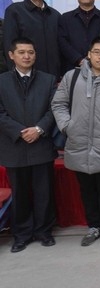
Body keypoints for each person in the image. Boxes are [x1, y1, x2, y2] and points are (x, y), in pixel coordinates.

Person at [51, 37, 100, 246]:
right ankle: (93, 227)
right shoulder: (72, 77)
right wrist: (67, 126)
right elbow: (58, 104)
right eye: (97, 52)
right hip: (78, 143)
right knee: (87, 191)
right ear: (89, 54)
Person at [0, 37, 57, 253]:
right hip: (13, 146)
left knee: (44, 192)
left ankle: (44, 231)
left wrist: (39, 129)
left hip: (41, 144)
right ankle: (22, 234)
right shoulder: (2, 81)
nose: (26, 56)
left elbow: (54, 109)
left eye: (31, 52)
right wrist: (19, 131)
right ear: (11, 55)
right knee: (20, 193)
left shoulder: (48, 80)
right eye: (22, 52)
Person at [3, 0, 61, 78]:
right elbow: (9, 43)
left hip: (52, 74)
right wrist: (13, 73)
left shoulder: (55, 15)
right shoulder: (15, 10)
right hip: (25, 72)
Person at [58, 0, 100, 74]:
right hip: (72, 67)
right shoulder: (65, 18)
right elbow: (62, 42)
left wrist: (95, 59)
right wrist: (78, 59)